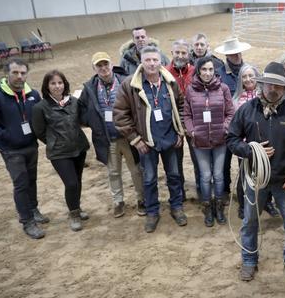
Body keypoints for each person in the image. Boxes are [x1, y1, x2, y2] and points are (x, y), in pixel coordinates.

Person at [226, 62, 285, 282]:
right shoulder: (247, 110)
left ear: (284, 88)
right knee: (250, 222)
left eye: (278, 86)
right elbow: (232, 140)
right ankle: (248, 261)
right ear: (262, 85)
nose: (273, 89)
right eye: (269, 85)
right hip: (256, 178)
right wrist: (251, 151)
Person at [113, 46, 187, 233]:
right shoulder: (130, 85)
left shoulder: (170, 83)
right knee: (149, 179)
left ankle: (176, 207)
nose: (152, 63)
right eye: (148, 60)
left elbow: (181, 106)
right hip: (147, 143)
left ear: (160, 61)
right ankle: (152, 211)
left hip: (170, 140)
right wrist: (135, 139)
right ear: (142, 62)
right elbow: (120, 114)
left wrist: (180, 131)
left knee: (175, 176)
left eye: (155, 60)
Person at [0, 59, 47, 239]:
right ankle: (27, 221)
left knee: (32, 179)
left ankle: (33, 209)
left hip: (31, 145)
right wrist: (7, 136)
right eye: (15, 73)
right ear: (6, 74)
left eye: (23, 73)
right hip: (11, 150)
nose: (19, 77)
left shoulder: (32, 93)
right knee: (21, 183)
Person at [79, 52, 144, 218]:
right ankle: (118, 201)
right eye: (99, 65)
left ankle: (141, 199)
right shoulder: (90, 88)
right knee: (113, 172)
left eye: (105, 64)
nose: (103, 68)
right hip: (107, 139)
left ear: (111, 64)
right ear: (94, 68)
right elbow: (82, 110)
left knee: (136, 170)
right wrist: (93, 123)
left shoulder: (125, 81)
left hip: (129, 137)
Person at [32, 70, 90, 232]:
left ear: (64, 84)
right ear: (46, 86)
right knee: (70, 183)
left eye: (60, 83)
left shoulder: (73, 101)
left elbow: (80, 121)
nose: (57, 86)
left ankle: (77, 207)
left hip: (78, 148)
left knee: (77, 181)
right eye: (53, 83)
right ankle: (74, 215)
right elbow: (39, 131)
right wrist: (55, 141)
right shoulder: (40, 107)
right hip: (59, 152)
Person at [184, 56, 235, 227]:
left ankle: (219, 207)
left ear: (215, 71)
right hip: (200, 142)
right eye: (204, 69)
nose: (207, 73)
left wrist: (225, 128)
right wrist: (192, 131)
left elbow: (230, 112)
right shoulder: (190, 90)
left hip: (220, 141)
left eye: (211, 69)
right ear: (198, 71)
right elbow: (187, 115)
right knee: (205, 176)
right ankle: (207, 206)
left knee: (219, 176)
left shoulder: (223, 88)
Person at [215, 36, 252, 203]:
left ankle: (245, 195)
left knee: (244, 164)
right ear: (227, 56)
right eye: (232, 53)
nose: (236, 56)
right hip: (226, 125)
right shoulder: (219, 75)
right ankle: (224, 192)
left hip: (244, 128)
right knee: (224, 162)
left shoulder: (248, 72)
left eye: (238, 52)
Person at [166, 39, 199, 202]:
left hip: (194, 123)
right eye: (177, 52)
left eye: (183, 53)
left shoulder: (195, 71)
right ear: (172, 53)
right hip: (173, 124)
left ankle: (202, 190)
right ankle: (180, 193)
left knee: (198, 159)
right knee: (175, 162)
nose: (180, 55)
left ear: (188, 54)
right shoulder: (163, 72)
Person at [232, 64, 260, 219]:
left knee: (263, 174)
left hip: (262, 144)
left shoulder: (263, 96)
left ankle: (266, 201)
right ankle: (243, 205)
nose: (248, 79)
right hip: (244, 145)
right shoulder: (236, 100)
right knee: (244, 175)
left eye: (251, 75)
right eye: (244, 76)